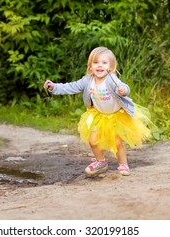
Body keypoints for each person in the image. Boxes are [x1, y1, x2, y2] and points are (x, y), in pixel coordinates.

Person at [43, 46, 152, 176]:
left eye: (104, 63)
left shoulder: (111, 79)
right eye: (96, 63)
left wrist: (123, 90)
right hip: (99, 115)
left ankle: (123, 164)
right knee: (93, 141)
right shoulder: (88, 81)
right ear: (90, 67)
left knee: (117, 142)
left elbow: (123, 87)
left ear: (110, 67)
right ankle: (101, 162)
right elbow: (71, 87)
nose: (100, 66)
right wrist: (54, 87)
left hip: (117, 115)